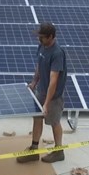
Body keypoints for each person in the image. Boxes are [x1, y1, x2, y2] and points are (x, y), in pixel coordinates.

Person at [18, 22, 67, 164]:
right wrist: (34, 82)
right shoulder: (42, 46)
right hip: (41, 91)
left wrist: (46, 103)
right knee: (37, 118)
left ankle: (59, 151)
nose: (40, 40)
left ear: (51, 37)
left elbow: (54, 80)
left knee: (54, 122)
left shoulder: (57, 53)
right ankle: (34, 149)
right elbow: (39, 65)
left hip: (53, 96)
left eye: (43, 37)